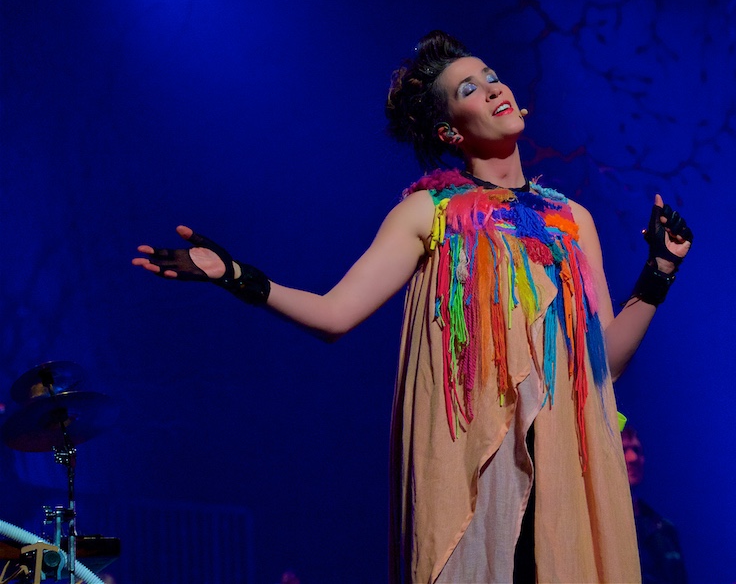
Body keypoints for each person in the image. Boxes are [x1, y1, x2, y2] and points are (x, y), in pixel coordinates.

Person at [133, 30, 693, 583]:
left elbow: (605, 365)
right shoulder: (431, 213)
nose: (493, 89)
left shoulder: (573, 220)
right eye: (469, 89)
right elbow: (336, 314)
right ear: (450, 130)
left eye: (492, 78)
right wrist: (236, 276)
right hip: (484, 475)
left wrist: (658, 272)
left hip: (565, 468)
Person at [622, 426, 689, 584]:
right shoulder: (599, 525)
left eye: (637, 450)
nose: (632, 458)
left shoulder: (664, 528)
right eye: (623, 449)